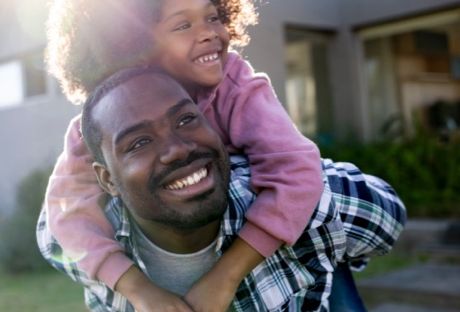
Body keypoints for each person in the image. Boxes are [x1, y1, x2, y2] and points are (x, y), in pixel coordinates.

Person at [43, 0, 326, 309]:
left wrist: (225, 277)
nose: (210, 34)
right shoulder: (99, 122)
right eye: (183, 25)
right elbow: (64, 215)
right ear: (133, 46)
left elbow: (298, 170)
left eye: (212, 16)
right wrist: (139, 290)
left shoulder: (236, 83)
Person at [37, 67, 406, 311]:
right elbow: (55, 226)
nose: (178, 148)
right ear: (106, 180)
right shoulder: (82, 241)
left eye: (185, 119)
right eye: (139, 143)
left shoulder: (304, 199)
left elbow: (390, 216)